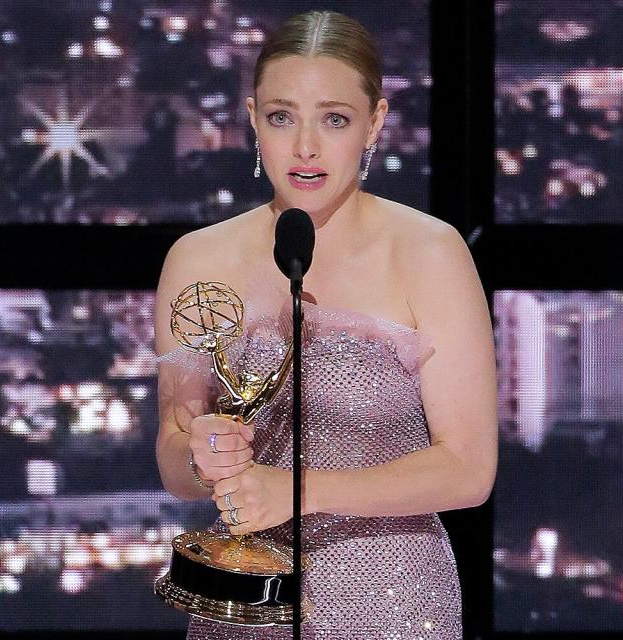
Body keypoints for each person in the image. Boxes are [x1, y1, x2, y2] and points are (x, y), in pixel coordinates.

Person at [154, 10, 496, 639]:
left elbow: (468, 471)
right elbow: (175, 460)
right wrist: (202, 456)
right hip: (244, 607)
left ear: (375, 123)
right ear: (253, 118)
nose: (305, 147)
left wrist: (297, 490)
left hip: (394, 605)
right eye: (282, 117)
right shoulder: (198, 260)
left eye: (333, 119)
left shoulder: (430, 252)